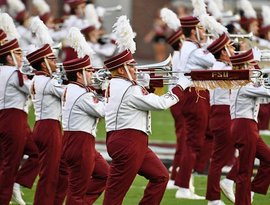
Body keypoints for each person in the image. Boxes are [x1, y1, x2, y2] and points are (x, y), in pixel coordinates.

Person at [173, 16, 216, 200]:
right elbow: (213, 61)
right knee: (193, 141)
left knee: (199, 138)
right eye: (201, 29)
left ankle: (187, 180)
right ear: (193, 31)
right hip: (195, 94)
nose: (204, 33)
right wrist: (212, 44)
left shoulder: (192, 47)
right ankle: (183, 186)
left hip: (197, 93)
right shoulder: (193, 49)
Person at [61, 55, 109, 204]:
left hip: (79, 141)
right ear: (78, 74)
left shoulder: (73, 88)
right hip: (79, 142)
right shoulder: (82, 94)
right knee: (76, 192)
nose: (92, 73)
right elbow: (104, 111)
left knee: (105, 174)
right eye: (88, 70)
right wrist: (108, 91)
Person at [229, 49, 270, 205]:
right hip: (244, 126)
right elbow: (267, 93)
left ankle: (252, 191)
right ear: (243, 66)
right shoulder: (243, 84)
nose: (254, 68)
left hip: (248, 126)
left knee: (268, 159)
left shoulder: (244, 81)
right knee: (244, 172)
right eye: (251, 65)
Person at [26, 44, 65, 205]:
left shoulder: (39, 78)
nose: (56, 62)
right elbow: (68, 95)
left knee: (61, 171)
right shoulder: (47, 81)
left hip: (45, 125)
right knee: (49, 175)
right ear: (43, 63)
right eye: (52, 59)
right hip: (49, 127)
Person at [205, 33, 236, 205]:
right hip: (224, 113)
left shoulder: (218, 65)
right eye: (230, 47)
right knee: (247, 149)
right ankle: (215, 196)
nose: (234, 50)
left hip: (220, 112)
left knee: (219, 158)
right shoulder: (222, 68)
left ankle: (216, 194)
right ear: (223, 52)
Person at [0, 39, 30, 205]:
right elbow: (31, 88)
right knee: (10, 165)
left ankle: (16, 184)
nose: (21, 56)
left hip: (3, 116)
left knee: (35, 151)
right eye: (18, 53)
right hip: (13, 118)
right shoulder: (14, 73)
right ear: (9, 58)